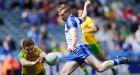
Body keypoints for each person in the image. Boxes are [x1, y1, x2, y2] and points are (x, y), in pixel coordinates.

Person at [58, 0, 130, 75]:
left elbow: (74, 36)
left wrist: (72, 45)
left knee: (100, 68)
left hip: (80, 49)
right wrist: (85, 7)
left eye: (62, 14)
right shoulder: (75, 19)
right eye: (60, 15)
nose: (61, 17)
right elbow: (84, 18)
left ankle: (119, 60)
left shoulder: (70, 21)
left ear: (68, 12)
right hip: (75, 52)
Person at [78, 8, 117, 75]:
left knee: (102, 58)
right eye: (79, 13)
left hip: (92, 43)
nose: (80, 14)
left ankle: (112, 67)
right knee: (79, 58)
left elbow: (94, 29)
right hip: (83, 44)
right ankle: (86, 73)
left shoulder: (88, 20)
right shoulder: (78, 21)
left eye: (81, 13)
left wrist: (84, 31)